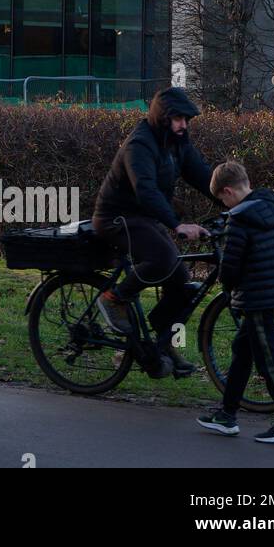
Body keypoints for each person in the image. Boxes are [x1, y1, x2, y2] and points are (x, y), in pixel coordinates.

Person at [92, 86, 216, 378]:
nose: (183, 125)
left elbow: (204, 177)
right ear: (162, 118)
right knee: (162, 259)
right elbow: (146, 190)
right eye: (177, 119)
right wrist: (176, 224)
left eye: (186, 119)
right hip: (117, 218)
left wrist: (238, 200)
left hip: (144, 219)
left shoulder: (177, 143)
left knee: (181, 283)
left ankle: (163, 344)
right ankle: (114, 298)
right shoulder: (140, 144)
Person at [197, 161, 274, 443]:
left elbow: (230, 267)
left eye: (222, 199)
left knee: (268, 359)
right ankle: (226, 414)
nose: (224, 205)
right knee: (242, 351)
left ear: (228, 191)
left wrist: (229, 290)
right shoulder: (273, 206)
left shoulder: (240, 218)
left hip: (256, 296)